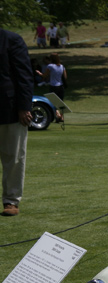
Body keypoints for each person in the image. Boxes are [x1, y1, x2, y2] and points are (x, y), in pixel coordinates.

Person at [1, 30, 33, 217]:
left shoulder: (11, 40)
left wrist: (24, 107)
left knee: (14, 159)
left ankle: (11, 201)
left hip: (10, 109)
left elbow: (24, 75)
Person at [37, 53, 66, 122]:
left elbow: (45, 75)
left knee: (53, 101)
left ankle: (57, 115)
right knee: (60, 102)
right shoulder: (62, 66)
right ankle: (61, 117)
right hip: (61, 86)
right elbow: (65, 77)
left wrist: (39, 73)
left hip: (53, 86)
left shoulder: (50, 66)